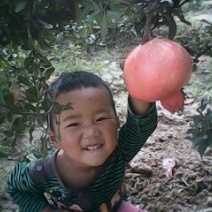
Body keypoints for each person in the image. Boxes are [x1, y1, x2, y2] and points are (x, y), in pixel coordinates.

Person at [7, 71, 157, 212]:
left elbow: (140, 125)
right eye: (74, 124)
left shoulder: (120, 150)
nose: (91, 132)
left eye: (101, 119)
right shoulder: (39, 172)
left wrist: (139, 76)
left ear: (117, 122)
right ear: (55, 139)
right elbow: (16, 188)